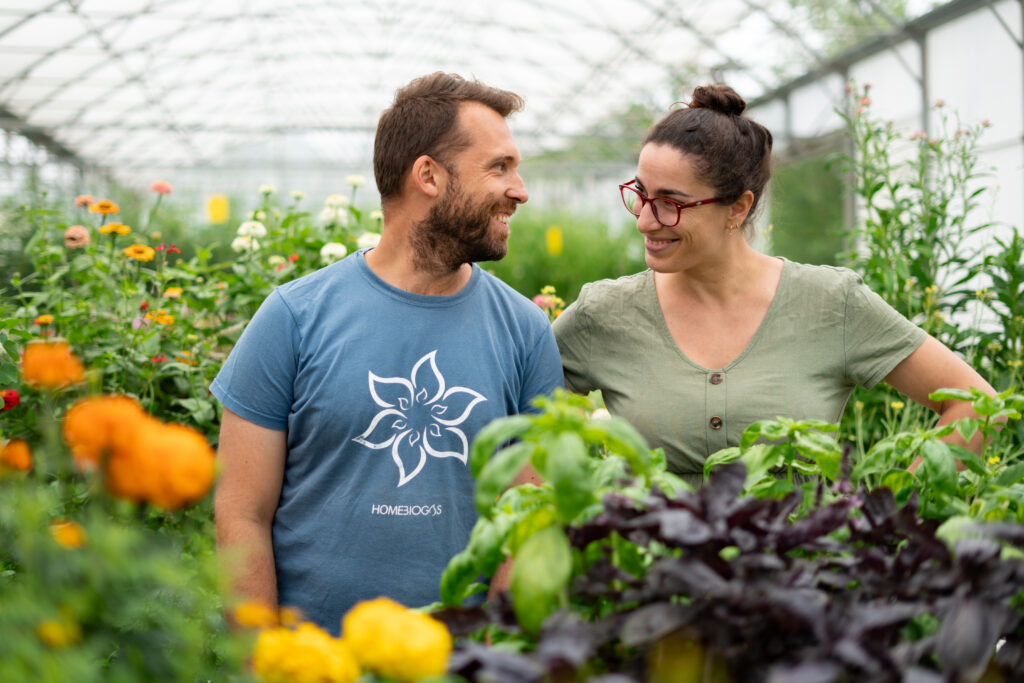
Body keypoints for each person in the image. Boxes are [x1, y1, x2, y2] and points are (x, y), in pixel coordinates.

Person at [211, 72, 563, 632]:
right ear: (428, 175)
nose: (519, 190)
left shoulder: (524, 330)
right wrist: (261, 660)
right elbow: (241, 513)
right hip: (317, 664)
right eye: (499, 167)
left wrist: (497, 659)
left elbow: (531, 519)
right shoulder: (295, 317)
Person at [552, 84, 994, 488]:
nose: (645, 220)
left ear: (737, 208)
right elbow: (508, 405)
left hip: (800, 575)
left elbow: (976, 405)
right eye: (641, 194)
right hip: (653, 574)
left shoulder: (829, 303)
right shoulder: (604, 314)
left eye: (670, 203)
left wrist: (887, 522)